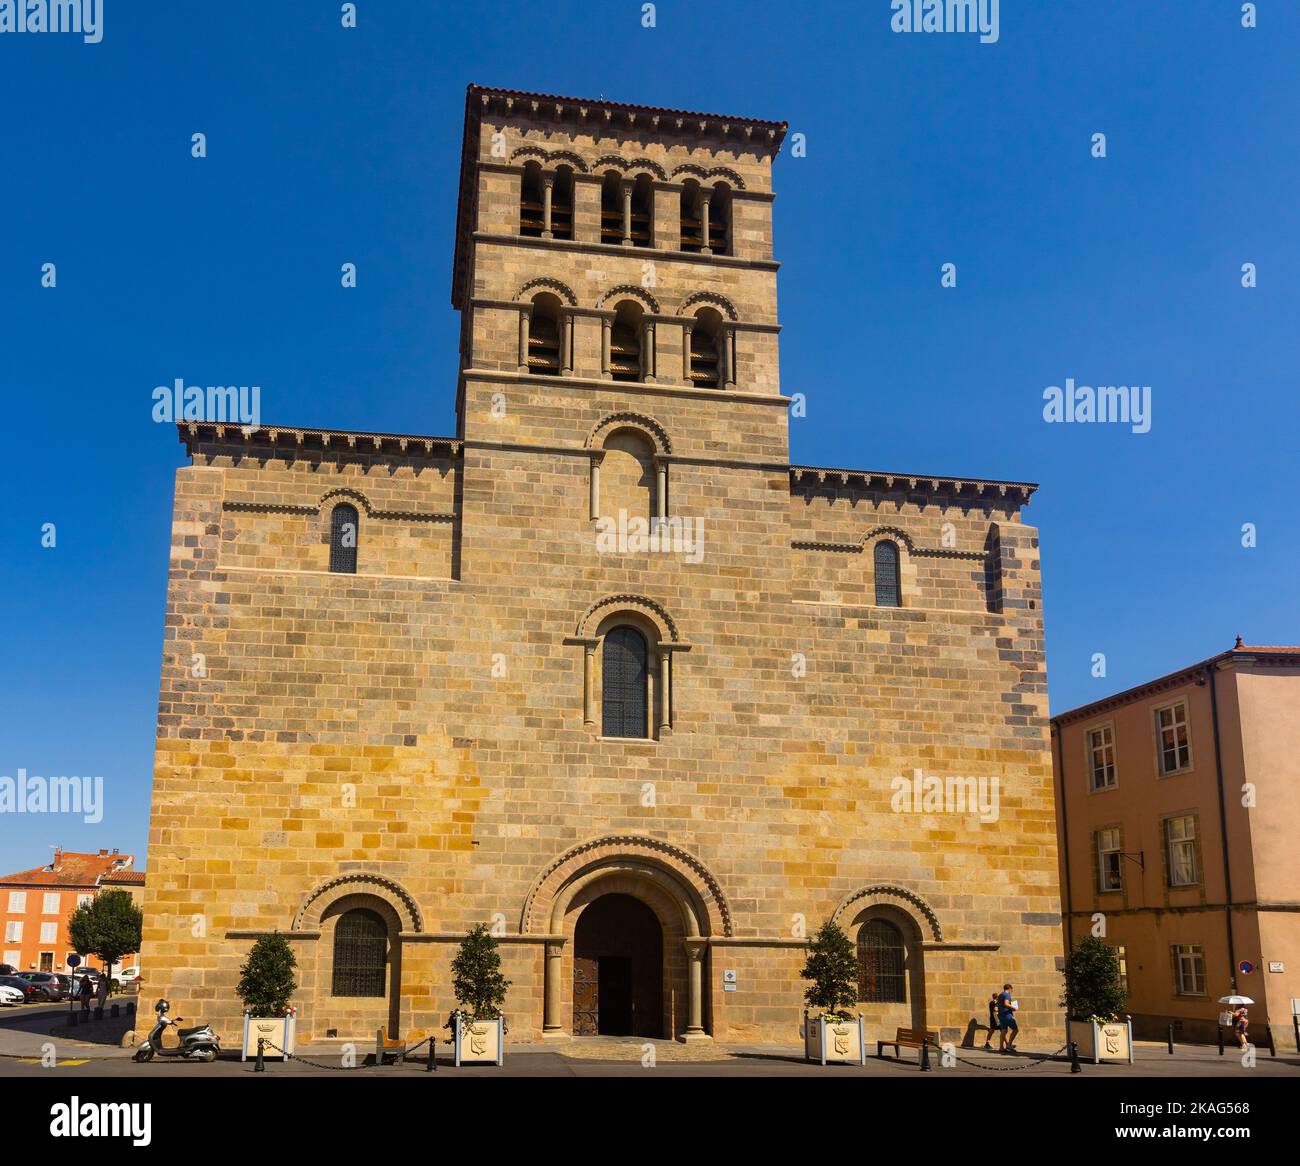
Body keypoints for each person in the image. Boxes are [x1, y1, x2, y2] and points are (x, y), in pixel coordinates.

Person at [997, 982, 1019, 1053]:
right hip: (1006, 1014)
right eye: (1011, 990)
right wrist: (1013, 1008)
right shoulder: (1007, 995)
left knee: (1004, 1031)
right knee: (1015, 1030)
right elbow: (1006, 1004)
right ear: (1009, 988)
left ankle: (1001, 1047)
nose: (1011, 992)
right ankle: (1009, 1045)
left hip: (1000, 1015)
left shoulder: (1000, 995)